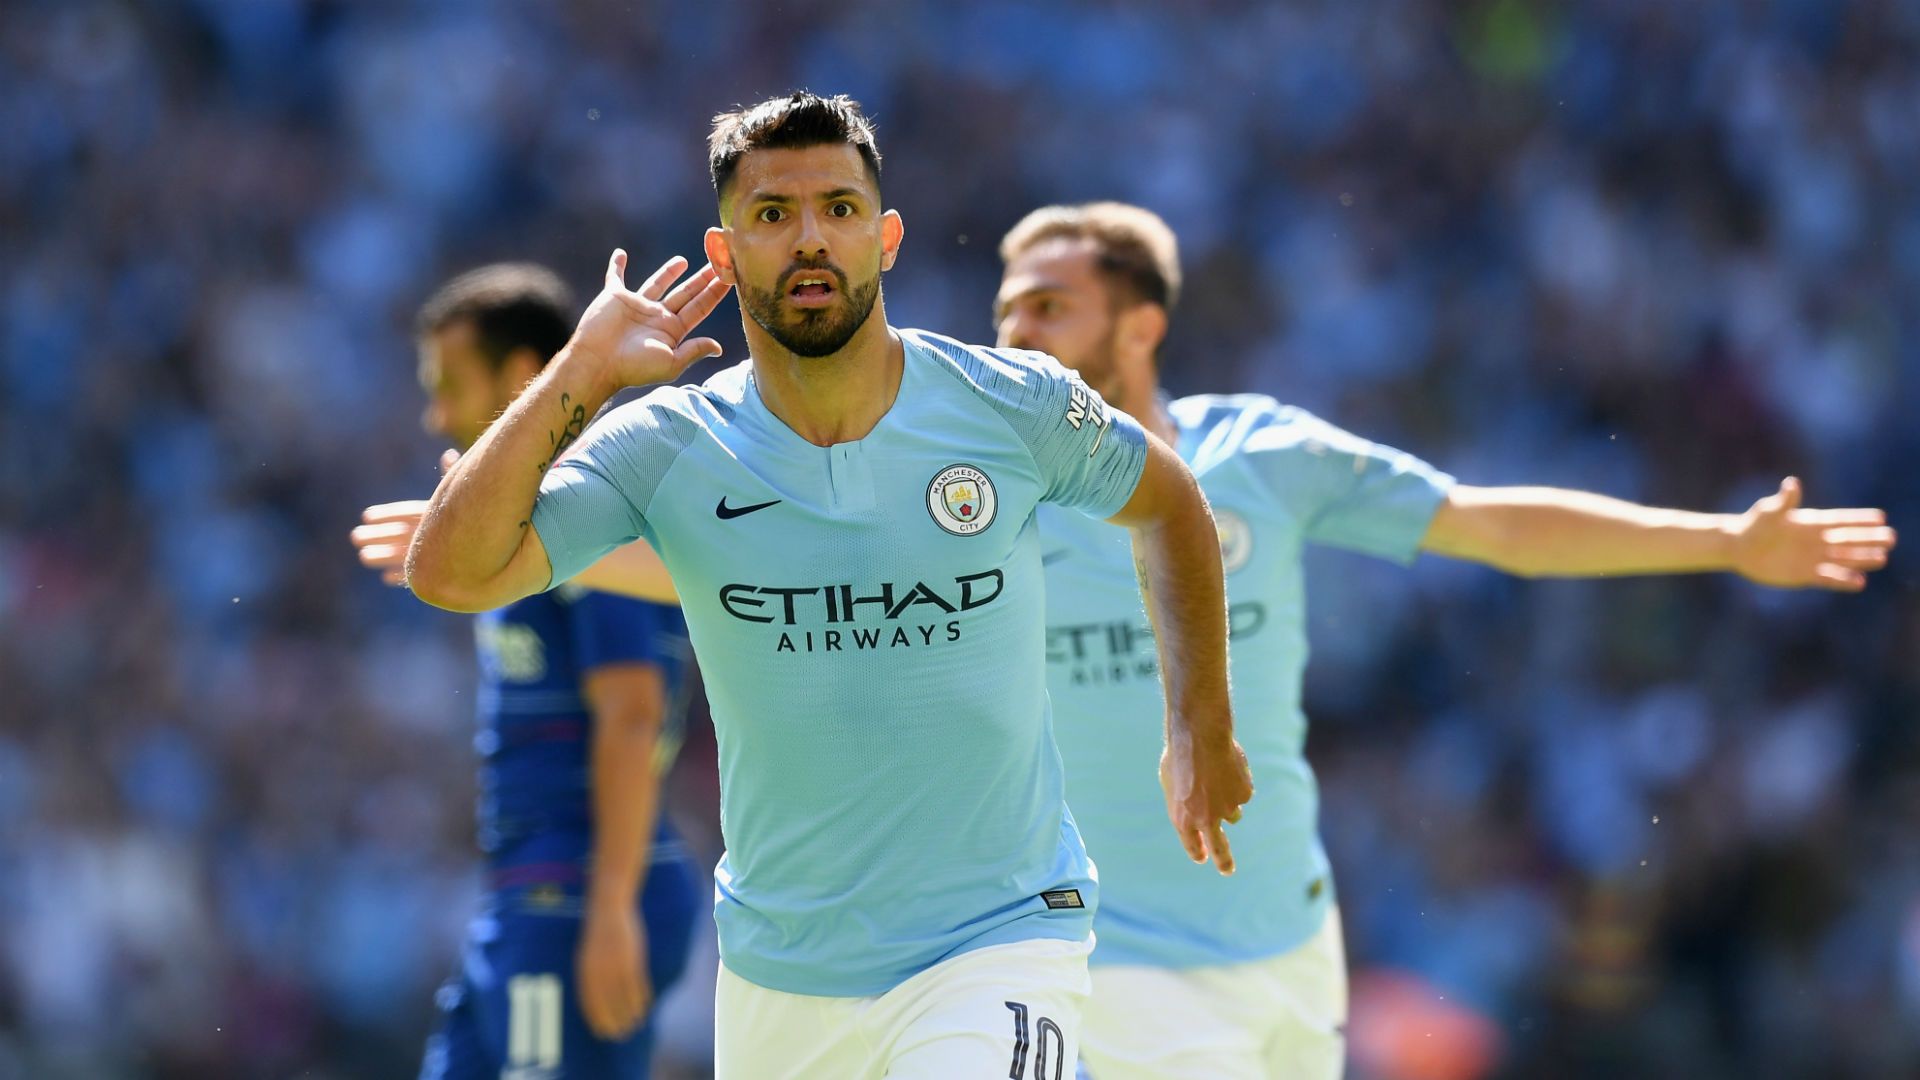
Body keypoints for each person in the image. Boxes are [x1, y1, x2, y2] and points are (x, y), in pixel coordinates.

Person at [401, 94, 1253, 1080]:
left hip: (996, 941)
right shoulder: (667, 447)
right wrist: (577, 378)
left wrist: (1200, 719)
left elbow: (1170, 500)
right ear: (724, 255)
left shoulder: (1004, 404)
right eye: (772, 215)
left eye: (839, 209)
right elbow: (449, 574)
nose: (811, 240)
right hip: (781, 974)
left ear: (885, 239)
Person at [987, 202, 1897, 1080]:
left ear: (1141, 328)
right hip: (1124, 964)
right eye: (1008, 307)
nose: (1016, 329)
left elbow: (1494, 527)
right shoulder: (986, 502)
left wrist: (1726, 541)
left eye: (1050, 305)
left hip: (1293, 939)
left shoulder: (1262, 456)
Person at [349, 264, 701, 1079]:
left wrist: (611, 908)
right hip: (527, 896)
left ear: (517, 375)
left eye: (449, 384)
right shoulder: (511, 525)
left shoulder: (588, 507)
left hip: (578, 897)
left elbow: (634, 713)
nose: (435, 412)